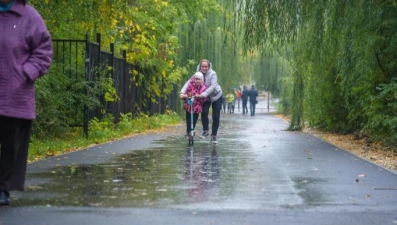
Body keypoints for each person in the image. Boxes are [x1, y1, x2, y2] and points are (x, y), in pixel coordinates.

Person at [0, 0, 53, 206]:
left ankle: (3, 188)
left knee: (12, 145)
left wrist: (26, 73)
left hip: (16, 94)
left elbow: (44, 50)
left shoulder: (29, 16)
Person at [180, 59, 223, 144]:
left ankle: (214, 135)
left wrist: (203, 94)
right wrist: (182, 92)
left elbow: (213, 86)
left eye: (206, 66)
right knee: (204, 112)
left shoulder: (213, 74)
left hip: (215, 96)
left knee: (216, 116)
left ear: (209, 66)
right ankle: (205, 130)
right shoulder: (197, 74)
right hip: (205, 97)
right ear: (200, 67)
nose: (204, 68)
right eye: (202, 66)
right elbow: (189, 82)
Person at [180, 72, 208, 138]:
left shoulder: (203, 87)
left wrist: (200, 96)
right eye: (196, 79)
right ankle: (188, 131)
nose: (197, 81)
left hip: (197, 106)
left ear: (202, 80)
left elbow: (204, 96)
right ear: (194, 79)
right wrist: (184, 95)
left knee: (194, 118)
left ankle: (191, 130)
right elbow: (186, 91)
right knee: (188, 118)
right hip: (189, 103)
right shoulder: (190, 85)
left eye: (199, 79)